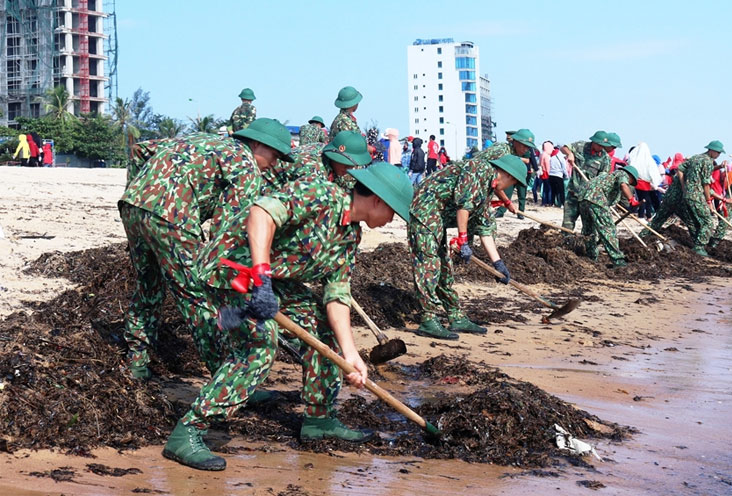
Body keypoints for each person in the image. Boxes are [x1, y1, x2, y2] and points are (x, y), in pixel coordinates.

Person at [163, 162, 413, 471]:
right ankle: (188, 432)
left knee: (321, 324)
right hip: (231, 268)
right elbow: (260, 214)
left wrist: (350, 355)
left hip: (274, 281)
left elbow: (336, 295)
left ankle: (319, 418)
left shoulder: (350, 238)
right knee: (259, 346)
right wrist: (262, 280)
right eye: (393, 212)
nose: (391, 221)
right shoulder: (319, 194)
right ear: (378, 200)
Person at [119, 119, 293, 381]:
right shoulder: (245, 165)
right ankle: (224, 378)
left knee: (148, 284)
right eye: (275, 155)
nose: (275, 163)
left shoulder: (205, 140)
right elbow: (227, 229)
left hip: (133, 205)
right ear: (256, 143)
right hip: (172, 216)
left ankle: (137, 361)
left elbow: (140, 151)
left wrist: (140, 190)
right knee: (197, 295)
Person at [407, 154, 527, 340]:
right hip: (426, 208)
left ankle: (455, 316)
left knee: (444, 266)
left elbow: (485, 229)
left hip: (439, 216)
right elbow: (463, 206)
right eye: (513, 183)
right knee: (429, 262)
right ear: (508, 176)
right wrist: (463, 240)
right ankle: (428, 319)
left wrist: (498, 264)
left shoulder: (486, 189)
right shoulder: (478, 170)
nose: (510, 188)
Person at [579, 166, 641, 267]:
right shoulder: (622, 174)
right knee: (608, 229)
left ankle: (591, 257)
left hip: (583, 198)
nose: (630, 184)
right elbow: (623, 185)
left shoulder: (609, 177)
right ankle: (618, 260)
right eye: (631, 181)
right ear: (630, 176)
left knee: (589, 230)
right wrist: (632, 200)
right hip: (596, 198)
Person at [679, 140, 730, 257]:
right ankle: (699, 247)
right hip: (697, 195)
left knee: (695, 221)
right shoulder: (708, 162)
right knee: (708, 222)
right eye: (717, 152)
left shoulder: (697, 158)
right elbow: (706, 184)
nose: (718, 155)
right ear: (711, 150)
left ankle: (696, 244)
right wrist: (708, 201)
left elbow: (680, 168)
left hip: (688, 195)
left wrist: (684, 187)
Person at [560, 131, 615, 231]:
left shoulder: (605, 159)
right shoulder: (581, 146)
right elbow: (563, 148)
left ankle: (586, 245)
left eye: (603, 145)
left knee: (588, 228)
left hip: (588, 198)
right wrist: (570, 154)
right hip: (573, 194)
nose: (600, 147)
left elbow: (602, 180)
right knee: (567, 224)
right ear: (593, 141)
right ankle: (565, 243)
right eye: (599, 144)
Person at [485, 129, 537, 219]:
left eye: (528, 147)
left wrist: (508, 203)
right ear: (516, 142)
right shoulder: (502, 151)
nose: (526, 149)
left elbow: (496, 185)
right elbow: (492, 181)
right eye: (524, 146)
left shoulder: (513, 153)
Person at [628, 142, 660, 220]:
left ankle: (645, 216)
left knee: (642, 199)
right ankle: (643, 216)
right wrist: (655, 184)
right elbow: (653, 172)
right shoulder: (649, 160)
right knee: (645, 200)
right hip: (645, 183)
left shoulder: (634, 159)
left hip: (637, 182)